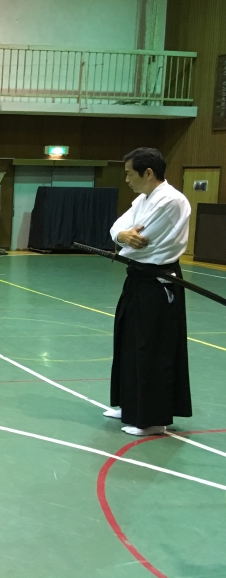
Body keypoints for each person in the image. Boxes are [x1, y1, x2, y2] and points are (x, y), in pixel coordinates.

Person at [102, 147, 192, 436]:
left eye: (130, 174)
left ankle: (152, 419)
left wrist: (123, 240)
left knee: (152, 348)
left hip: (158, 282)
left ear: (148, 173)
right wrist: (121, 235)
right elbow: (119, 228)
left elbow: (139, 241)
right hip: (138, 278)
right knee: (128, 341)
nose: (127, 179)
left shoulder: (171, 201)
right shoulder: (144, 199)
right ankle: (130, 405)